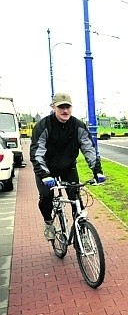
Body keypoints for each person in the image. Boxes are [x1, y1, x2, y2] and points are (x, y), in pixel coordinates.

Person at [30, 92, 106, 241]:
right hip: (46, 170)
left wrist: (97, 171)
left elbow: (89, 148)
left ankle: (81, 233)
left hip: (68, 168)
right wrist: (44, 175)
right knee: (46, 197)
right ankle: (48, 223)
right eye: (61, 107)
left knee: (76, 197)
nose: (65, 111)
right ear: (53, 108)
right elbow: (37, 153)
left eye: (68, 107)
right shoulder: (43, 126)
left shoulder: (78, 126)